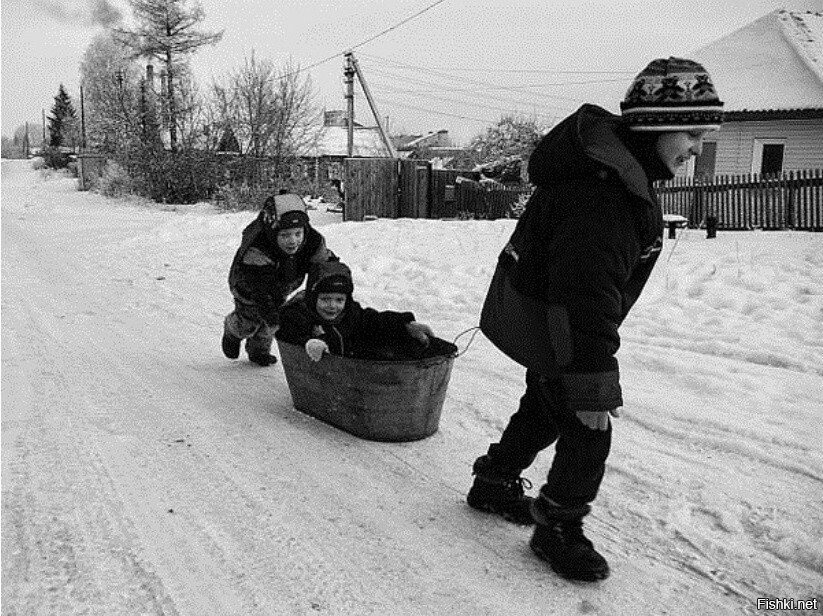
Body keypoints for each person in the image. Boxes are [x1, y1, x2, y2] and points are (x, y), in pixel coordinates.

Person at [469, 57, 724, 582]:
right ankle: (557, 526)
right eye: (692, 132)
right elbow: (584, 299)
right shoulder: (604, 193)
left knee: (542, 405)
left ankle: (494, 481)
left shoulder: (615, 172)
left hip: (548, 323)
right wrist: (593, 386)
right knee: (589, 431)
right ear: (655, 126)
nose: (698, 147)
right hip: (562, 326)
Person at [222, 192, 337, 366]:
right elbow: (261, 292)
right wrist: (272, 317)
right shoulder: (258, 248)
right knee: (252, 320)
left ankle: (258, 351)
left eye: (298, 234)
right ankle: (232, 331)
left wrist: (335, 277)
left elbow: (324, 265)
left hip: (284, 281)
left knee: (274, 315)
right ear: (272, 231)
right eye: (285, 235)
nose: (293, 241)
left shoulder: (312, 241)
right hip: (249, 285)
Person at [275, 260, 456, 361]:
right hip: (333, 376)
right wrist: (309, 343)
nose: (332, 306)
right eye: (325, 299)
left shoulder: (350, 313)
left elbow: (374, 320)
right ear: (313, 298)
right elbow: (287, 333)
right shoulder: (300, 315)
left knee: (393, 344)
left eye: (339, 300)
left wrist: (405, 324)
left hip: (353, 364)